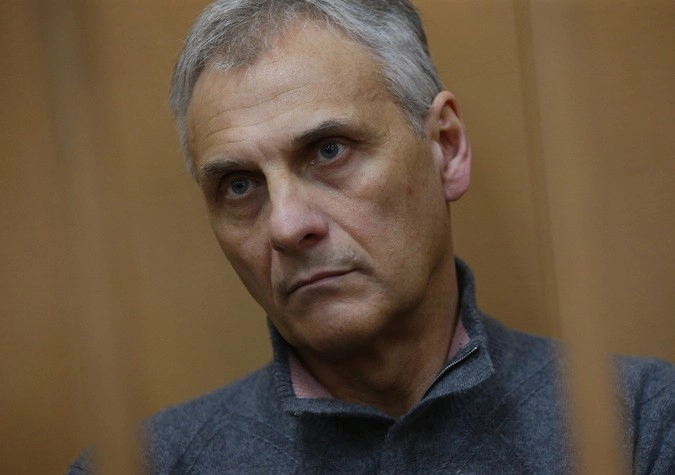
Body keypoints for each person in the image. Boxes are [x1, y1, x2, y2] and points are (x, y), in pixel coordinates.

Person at [70, 0, 674, 472]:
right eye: (239, 185)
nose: (286, 226)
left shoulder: (639, 426)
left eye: (329, 151)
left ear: (446, 147)